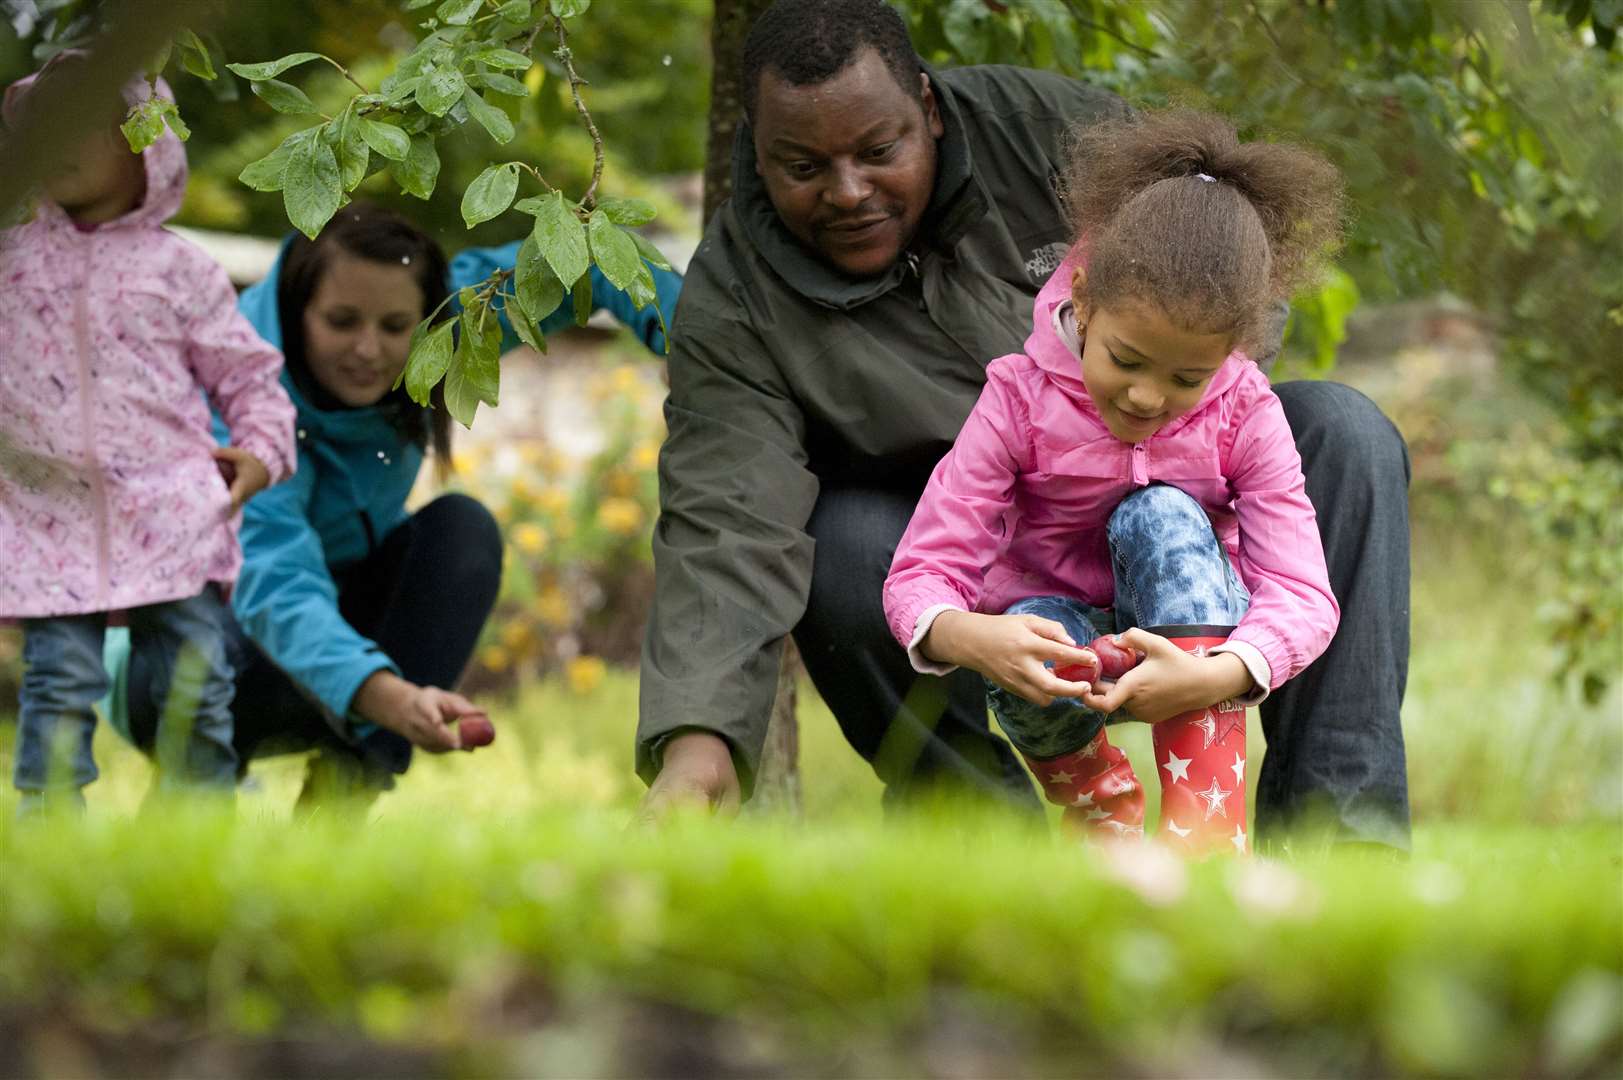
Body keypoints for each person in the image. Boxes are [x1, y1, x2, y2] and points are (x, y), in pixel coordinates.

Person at [638, 0, 1411, 850]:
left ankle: (1342, 841)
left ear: (927, 109)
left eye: (878, 150)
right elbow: (725, 513)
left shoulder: (1053, 134)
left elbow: (1220, 279)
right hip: (985, 574)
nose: (848, 191)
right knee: (848, 541)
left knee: (1344, 430)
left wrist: (1166, 471)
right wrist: (695, 740)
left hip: (1190, 522)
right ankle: (987, 843)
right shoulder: (733, 299)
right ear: (753, 145)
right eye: (802, 165)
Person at [112, 200, 682, 803]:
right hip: (183, 666)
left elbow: (589, 257)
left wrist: (689, 344)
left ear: (429, 318)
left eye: (393, 327)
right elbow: (274, 585)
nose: (369, 349)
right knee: (209, 634)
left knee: (461, 531)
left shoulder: (449, 328)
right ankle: (195, 791)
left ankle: (337, 810)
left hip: (332, 646)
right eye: (341, 321)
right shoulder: (244, 400)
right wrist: (390, 697)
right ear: (296, 309)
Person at [883, 109, 1345, 854]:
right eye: (1125, 360)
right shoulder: (1017, 399)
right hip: (1062, 653)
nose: (1145, 398)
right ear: (1086, 299)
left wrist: (1222, 673)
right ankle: (1104, 823)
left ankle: (1204, 838)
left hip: (1191, 642)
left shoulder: (1245, 411)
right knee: (1023, 619)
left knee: (1161, 515)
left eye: (1185, 378)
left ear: (1232, 352)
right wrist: (972, 636)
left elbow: (1302, 592)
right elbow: (923, 569)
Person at [0, 59, 296, 815]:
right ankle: (49, 825)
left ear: (145, 143)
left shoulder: (182, 271)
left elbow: (248, 375)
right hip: (50, 517)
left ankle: (197, 814)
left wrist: (262, 453)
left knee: (193, 675)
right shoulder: (10, 262)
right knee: (59, 678)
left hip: (173, 511)